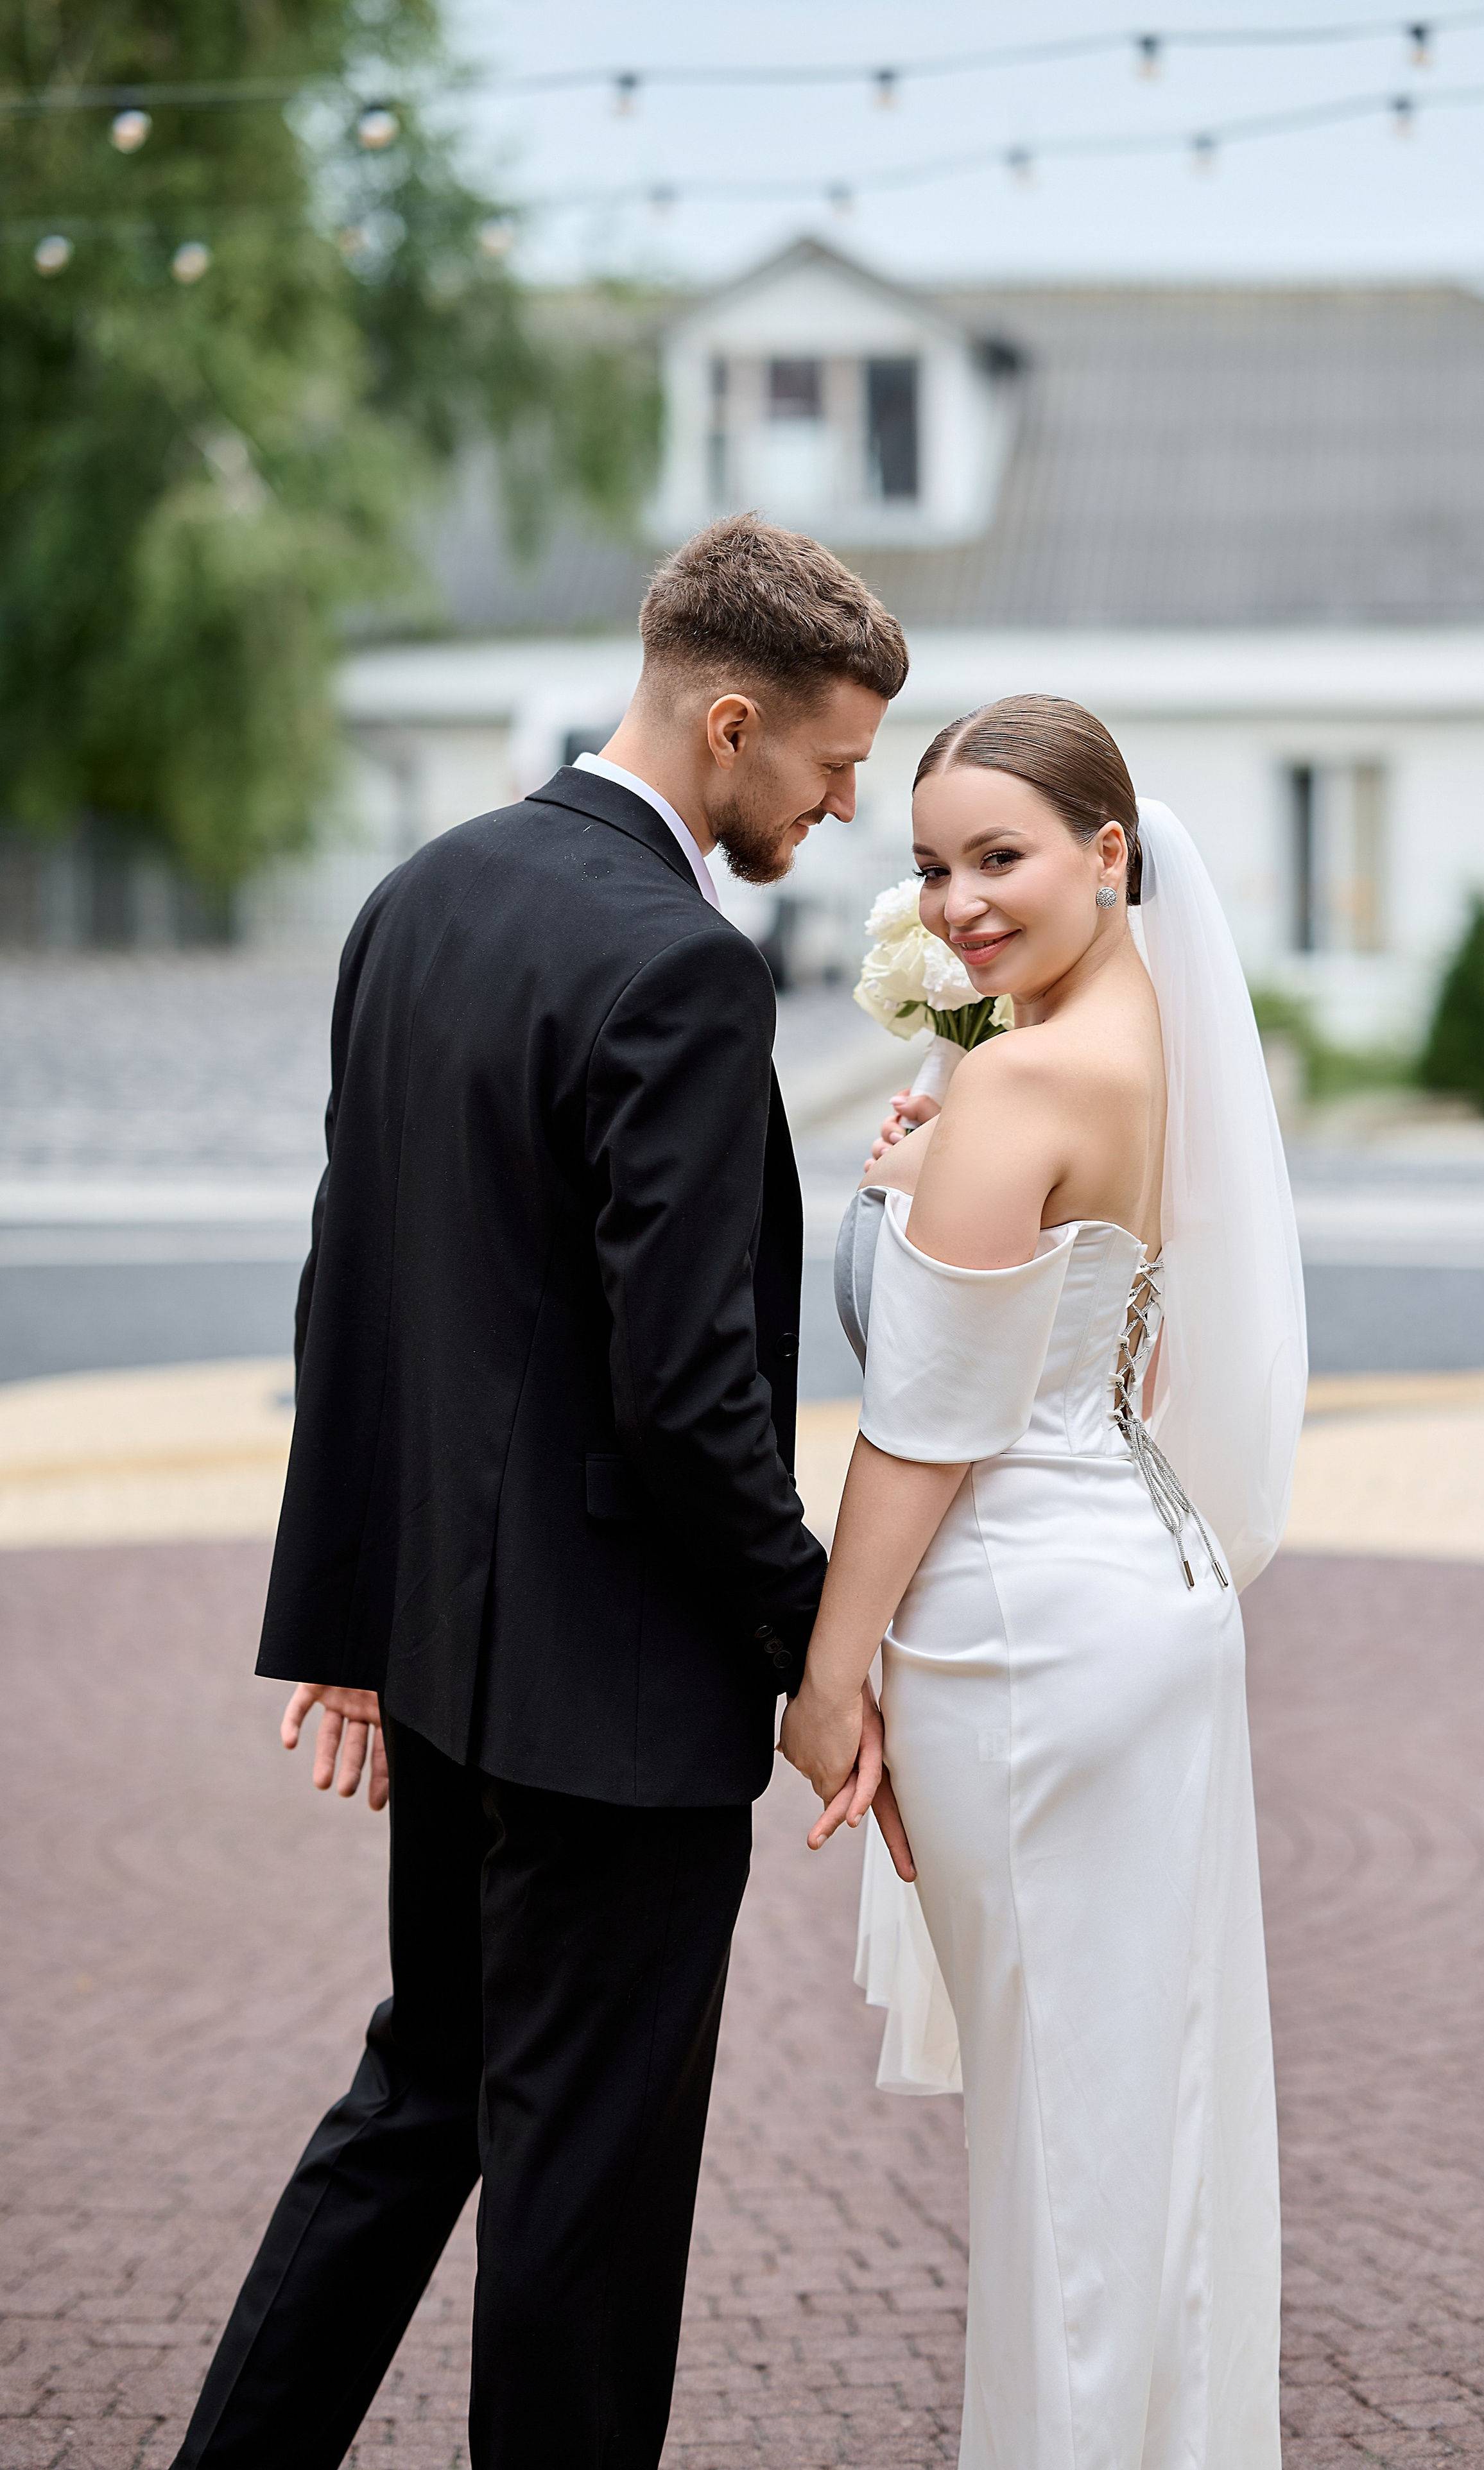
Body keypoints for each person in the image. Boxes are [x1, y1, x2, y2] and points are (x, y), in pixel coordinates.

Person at [167, 516, 908, 2470]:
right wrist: (812, 1634)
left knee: (419, 2107)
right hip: (615, 1708)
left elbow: (357, 1289)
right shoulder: (679, 966)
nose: (845, 807)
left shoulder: (421, 896)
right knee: (584, 2206)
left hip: (446, 1666)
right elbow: (687, 1396)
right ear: (728, 721)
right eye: (832, 764)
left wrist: (346, 1626)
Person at [781, 695, 1308, 2470]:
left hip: (1029, 1632)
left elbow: (921, 1436)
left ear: (1109, 850)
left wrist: (828, 1679)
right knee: (1135, 2106)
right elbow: (1110, 1359)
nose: (956, 902)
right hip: (1142, 1596)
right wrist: (933, 1184)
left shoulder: (1022, 1075)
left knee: (1067, 2144)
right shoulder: (1137, 1030)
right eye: (930, 866)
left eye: (997, 858)